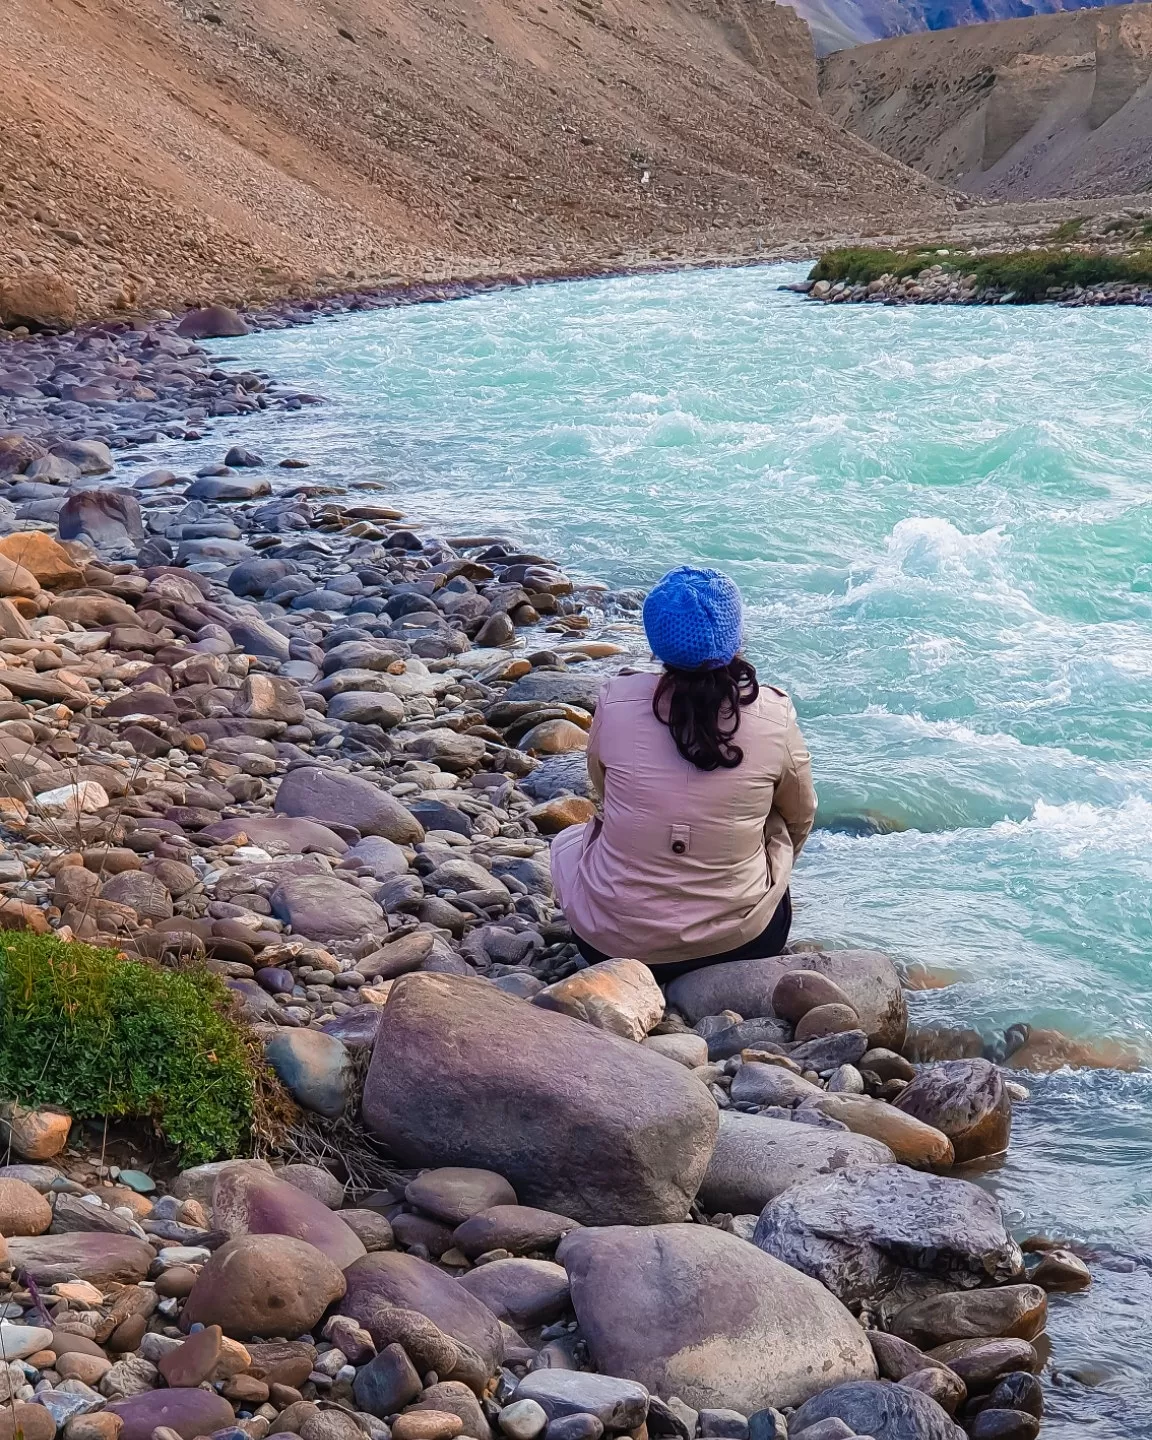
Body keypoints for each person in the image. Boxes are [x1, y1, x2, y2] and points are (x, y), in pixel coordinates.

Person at [551, 566, 816, 980]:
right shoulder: (775, 714)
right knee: (777, 814)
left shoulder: (615, 699)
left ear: (657, 639)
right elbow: (801, 816)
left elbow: (602, 788)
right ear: (736, 635)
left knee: (573, 839)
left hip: (608, 943)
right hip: (741, 942)